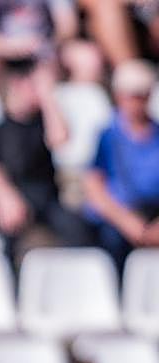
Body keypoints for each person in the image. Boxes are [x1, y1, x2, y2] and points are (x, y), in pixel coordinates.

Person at [0, 60, 93, 267]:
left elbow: (60, 138)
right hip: (15, 196)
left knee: (79, 230)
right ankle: (11, 289)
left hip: (47, 198)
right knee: (6, 231)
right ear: (18, 84)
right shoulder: (0, 127)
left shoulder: (44, 121)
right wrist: (6, 196)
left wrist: (48, 98)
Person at [83, 59, 159, 271]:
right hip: (117, 218)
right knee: (112, 241)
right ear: (119, 96)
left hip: (152, 213)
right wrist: (128, 223)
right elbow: (94, 187)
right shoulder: (107, 136)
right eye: (131, 95)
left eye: (142, 95)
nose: (137, 102)